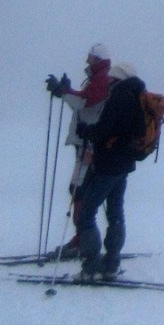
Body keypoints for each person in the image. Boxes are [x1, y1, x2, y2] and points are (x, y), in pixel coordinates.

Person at [74, 60, 146, 279]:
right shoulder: (136, 96)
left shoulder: (119, 97)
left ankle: (91, 265)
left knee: (86, 214)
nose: (108, 82)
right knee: (115, 213)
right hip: (124, 165)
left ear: (117, 78)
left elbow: (105, 129)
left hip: (108, 165)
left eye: (111, 78)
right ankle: (112, 263)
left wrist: (87, 131)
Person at [45, 44, 113, 260]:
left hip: (88, 145)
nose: (87, 61)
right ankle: (82, 239)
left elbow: (84, 102)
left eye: (90, 57)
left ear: (97, 59)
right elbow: (84, 101)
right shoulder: (99, 79)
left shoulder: (101, 80)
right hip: (87, 143)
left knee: (79, 189)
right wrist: (67, 92)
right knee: (80, 189)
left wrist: (64, 92)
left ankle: (82, 241)